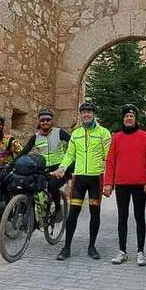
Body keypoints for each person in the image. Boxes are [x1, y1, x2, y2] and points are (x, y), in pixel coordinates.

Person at [53, 102, 111, 260]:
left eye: (89, 112)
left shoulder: (103, 133)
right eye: (83, 112)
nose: (86, 115)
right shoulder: (76, 133)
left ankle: (92, 247)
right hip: (78, 178)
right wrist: (62, 168)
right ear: (80, 115)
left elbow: (108, 157)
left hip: (96, 178)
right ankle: (66, 247)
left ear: (93, 114)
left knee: (95, 213)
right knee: (73, 213)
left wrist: (108, 181)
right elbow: (69, 155)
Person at [103, 104, 146, 266]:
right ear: (123, 119)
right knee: (122, 218)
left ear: (135, 119)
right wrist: (107, 183)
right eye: (126, 116)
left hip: (140, 184)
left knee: (140, 218)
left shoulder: (145, 136)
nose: (128, 118)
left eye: (131, 116)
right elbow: (111, 161)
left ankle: (140, 252)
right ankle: (122, 251)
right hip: (122, 184)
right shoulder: (116, 138)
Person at [17, 108, 72, 213]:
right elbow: (24, 152)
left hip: (59, 168)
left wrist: (69, 164)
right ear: (39, 122)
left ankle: (58, 208)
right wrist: (13, 165)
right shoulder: (35, 137)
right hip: (43, 168)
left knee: (52, 185)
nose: (45, 122)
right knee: (28, 184)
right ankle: (32, 211)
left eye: (48, 120)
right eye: (42, 120)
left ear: (52, 121)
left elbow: (73, 144)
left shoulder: (59, 132)